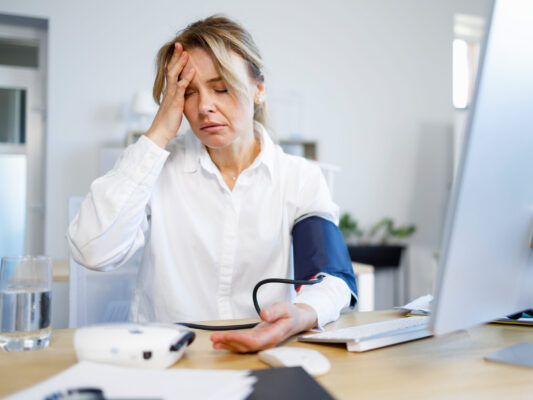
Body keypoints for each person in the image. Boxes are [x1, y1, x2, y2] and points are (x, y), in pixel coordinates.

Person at [67, 15, 356, 353]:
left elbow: (331, 278)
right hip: (168, 360)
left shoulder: (299, 178)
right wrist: (160, 129)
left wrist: (302, 313)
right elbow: (92, 251)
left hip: (261, 357)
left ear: (258, 89)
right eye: (187, 94)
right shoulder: (154, 167)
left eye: (221, 88)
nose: (204, 106)